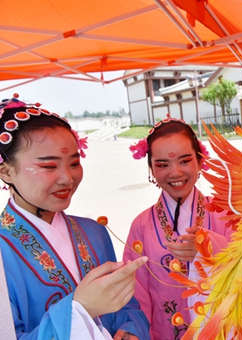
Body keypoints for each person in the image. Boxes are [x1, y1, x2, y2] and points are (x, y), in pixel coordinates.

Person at [0, 94, 150, 340]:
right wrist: (81, 310)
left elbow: (126, 306)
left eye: (73, 163)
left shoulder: (94, 232)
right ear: (6, 171)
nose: (67, 178)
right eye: (49, 166)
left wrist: (131, 327)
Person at [123, 117, 232, 340]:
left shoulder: (225, 214)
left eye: (184, 161)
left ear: (200, 162)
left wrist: (212, 250)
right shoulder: (141, 226)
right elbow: (136, 293)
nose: (175, 173)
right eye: (162, 165)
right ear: (151, 169)